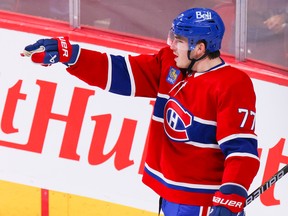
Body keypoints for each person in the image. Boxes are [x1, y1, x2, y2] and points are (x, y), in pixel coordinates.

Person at [22, 7, 260, 216]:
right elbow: (122, 73)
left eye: (179, 40)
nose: (171, 45)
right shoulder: (170, 64)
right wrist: (72, 56)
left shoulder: (232, 84)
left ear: (199, 48)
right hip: (170, 196)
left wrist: (231, 194)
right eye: (172, 36)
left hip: (201, 202)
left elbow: (241, 150)